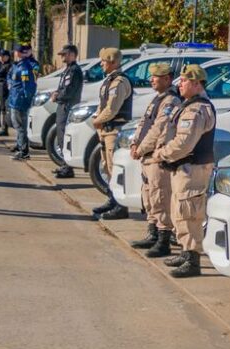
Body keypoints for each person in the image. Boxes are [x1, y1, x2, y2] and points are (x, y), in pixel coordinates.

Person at [150, 64, 215, 278]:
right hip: (184, 167)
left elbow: (183, 143)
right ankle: (186, 251)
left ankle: (193, 259)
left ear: (197, 84)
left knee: (189, 213)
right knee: (180, 212)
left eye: (185, 81)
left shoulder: (197, 109)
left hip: (192, 168)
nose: (180, 84)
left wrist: (161, 154)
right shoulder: (188, 105)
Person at [129, 62, 180, 257]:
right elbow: (144, 123)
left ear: (167, 79)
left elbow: (159, 129)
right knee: (149, 197)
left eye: (156, 77)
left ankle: (163, 239)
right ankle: (152, 232)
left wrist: (141, 148)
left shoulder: (170, 102)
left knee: (160, 198)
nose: (151, 79)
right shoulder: (158, 99)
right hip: (146, 157)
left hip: (156, 157)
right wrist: (135, 143)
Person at [91, 47, 133, 220]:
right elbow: (103, 104)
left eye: (104, 61)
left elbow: (112, 109)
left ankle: (120, 207)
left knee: (115, 168)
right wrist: (98, 118)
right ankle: (112, 199)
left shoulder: (119, 82)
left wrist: (97, 120)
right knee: (108, 167)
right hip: (106, 129)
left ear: (113, 62)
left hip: (114, 129)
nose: (101, 64)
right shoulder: (109, 80)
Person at [51, 44, 84, 179]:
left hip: (67, 106)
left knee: (64, 137)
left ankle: (67, 168)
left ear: (72, 54)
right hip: (63, 106)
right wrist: (57, 92)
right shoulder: (68, 70)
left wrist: (57, 96)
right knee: (61, 136)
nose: (63, 57)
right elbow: (63, 87)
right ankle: (65, 165)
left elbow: (69, 91)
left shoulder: (74, 71)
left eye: (65, 54)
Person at [7, 45, 37, 160]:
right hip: (15, 99)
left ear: (18, 53)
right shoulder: (17, 66)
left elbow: (28, 87)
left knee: (20, 127)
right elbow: (10, 77)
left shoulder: (24, 67)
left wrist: (26, 100)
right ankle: (21, 149)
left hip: (19, 101)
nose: (14, 54)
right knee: (18, 126)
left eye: (15, 52)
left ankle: (23, 151)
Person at [0, 50, 11, 136]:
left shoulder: (8, 66)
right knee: (2, 107)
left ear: (7, 56)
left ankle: (5, 129)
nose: (1, 58)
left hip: (4, 87)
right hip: (1, 87)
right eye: (0, 56)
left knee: (4, 108)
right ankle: (4, 128)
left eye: (2, 56)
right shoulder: (2, 65)